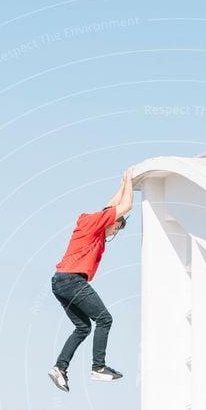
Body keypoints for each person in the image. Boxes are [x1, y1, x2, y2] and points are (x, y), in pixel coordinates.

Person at [48, 167, 133, 393]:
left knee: (83, 327)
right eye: (115, 228)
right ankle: (99, 367)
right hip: (72, 280)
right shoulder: (95, 223)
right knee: (104, 319)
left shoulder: (94, 225)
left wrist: (124, 183)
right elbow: (124, 207)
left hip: (59, 282)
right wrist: (132, 184)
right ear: (110, 223)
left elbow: (111, 204)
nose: (113, 233)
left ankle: (60, 368)